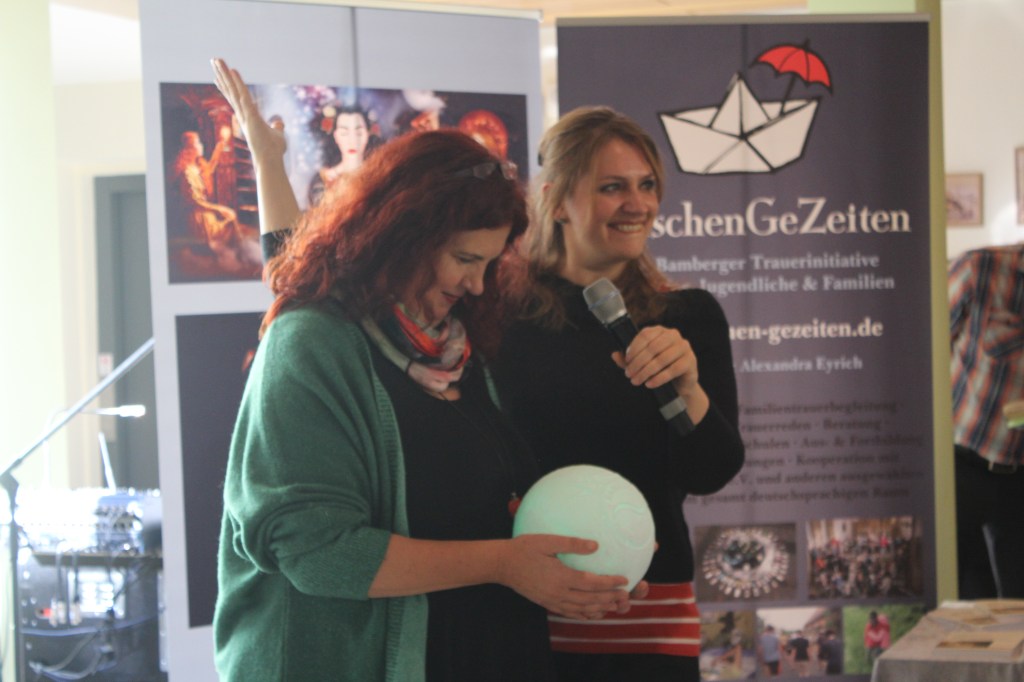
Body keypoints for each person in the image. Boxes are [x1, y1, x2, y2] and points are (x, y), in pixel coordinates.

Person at [210, 58, 634, 682]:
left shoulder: (455, 348)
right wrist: (503, 563)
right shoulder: (310, 344)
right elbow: (318, 553)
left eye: (489, 263)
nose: (477, 284)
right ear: (402, 236)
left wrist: (584, 561)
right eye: (465, 258)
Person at [492, 106, 745, 681]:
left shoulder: (690, 317)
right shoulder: (496, 317)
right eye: (613, 187)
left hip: (647, 620)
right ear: (557, 201)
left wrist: (689, 390)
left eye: (647, 185)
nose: (638, 204)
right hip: (526, 614)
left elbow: (711, 472)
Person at [949, 243, 1024, 599]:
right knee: (959, 596)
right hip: (963, 465)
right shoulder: (979, 269)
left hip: (1019, 480)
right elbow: (924, 345)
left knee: (1018, 604)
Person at [170, 129, 261, 275]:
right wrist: (219, 209)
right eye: (198, 143)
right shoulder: (188, 173)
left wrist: (220, 146)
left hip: (206, 214)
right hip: (198, 218)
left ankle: (241, 251)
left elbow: (210, 169)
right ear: (190, 149)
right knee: (231, 218)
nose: (201, 146)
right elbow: (195, 201)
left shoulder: (196, 167)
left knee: (231, 218)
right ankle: (240, 254)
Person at [307, 103, 379, 207]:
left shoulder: (379, 174)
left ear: (367, 134)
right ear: (336, 136)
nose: (352, 141)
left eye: (359, 133)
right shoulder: (323, 180)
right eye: (344, 133)